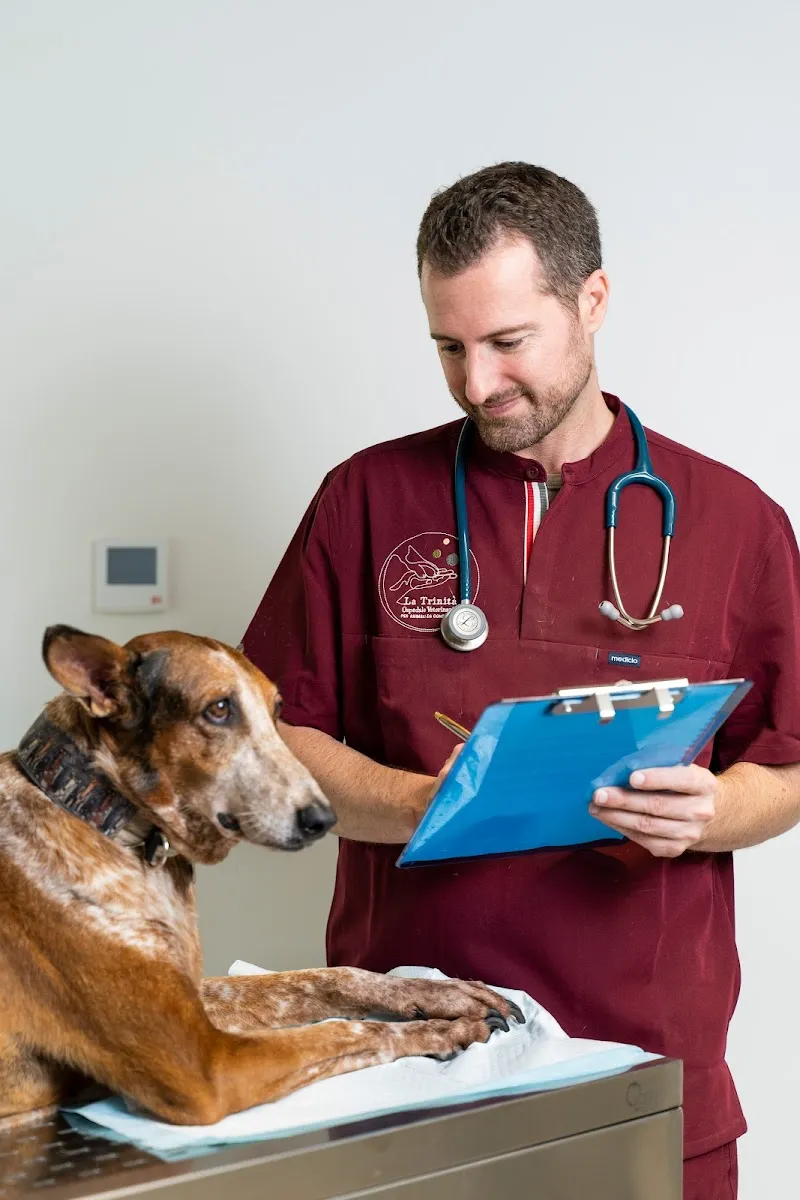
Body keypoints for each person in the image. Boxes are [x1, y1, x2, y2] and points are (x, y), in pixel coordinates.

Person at [240, 162, 800, 1199]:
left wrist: (713, 812)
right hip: (407, 1065)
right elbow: (273, 740)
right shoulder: (364, 501)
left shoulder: (736, 523)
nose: (476, 384)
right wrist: (430, 803)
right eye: (448, 348)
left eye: (507, 342)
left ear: (592, 299)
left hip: (645, 1070)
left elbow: (789, 761)